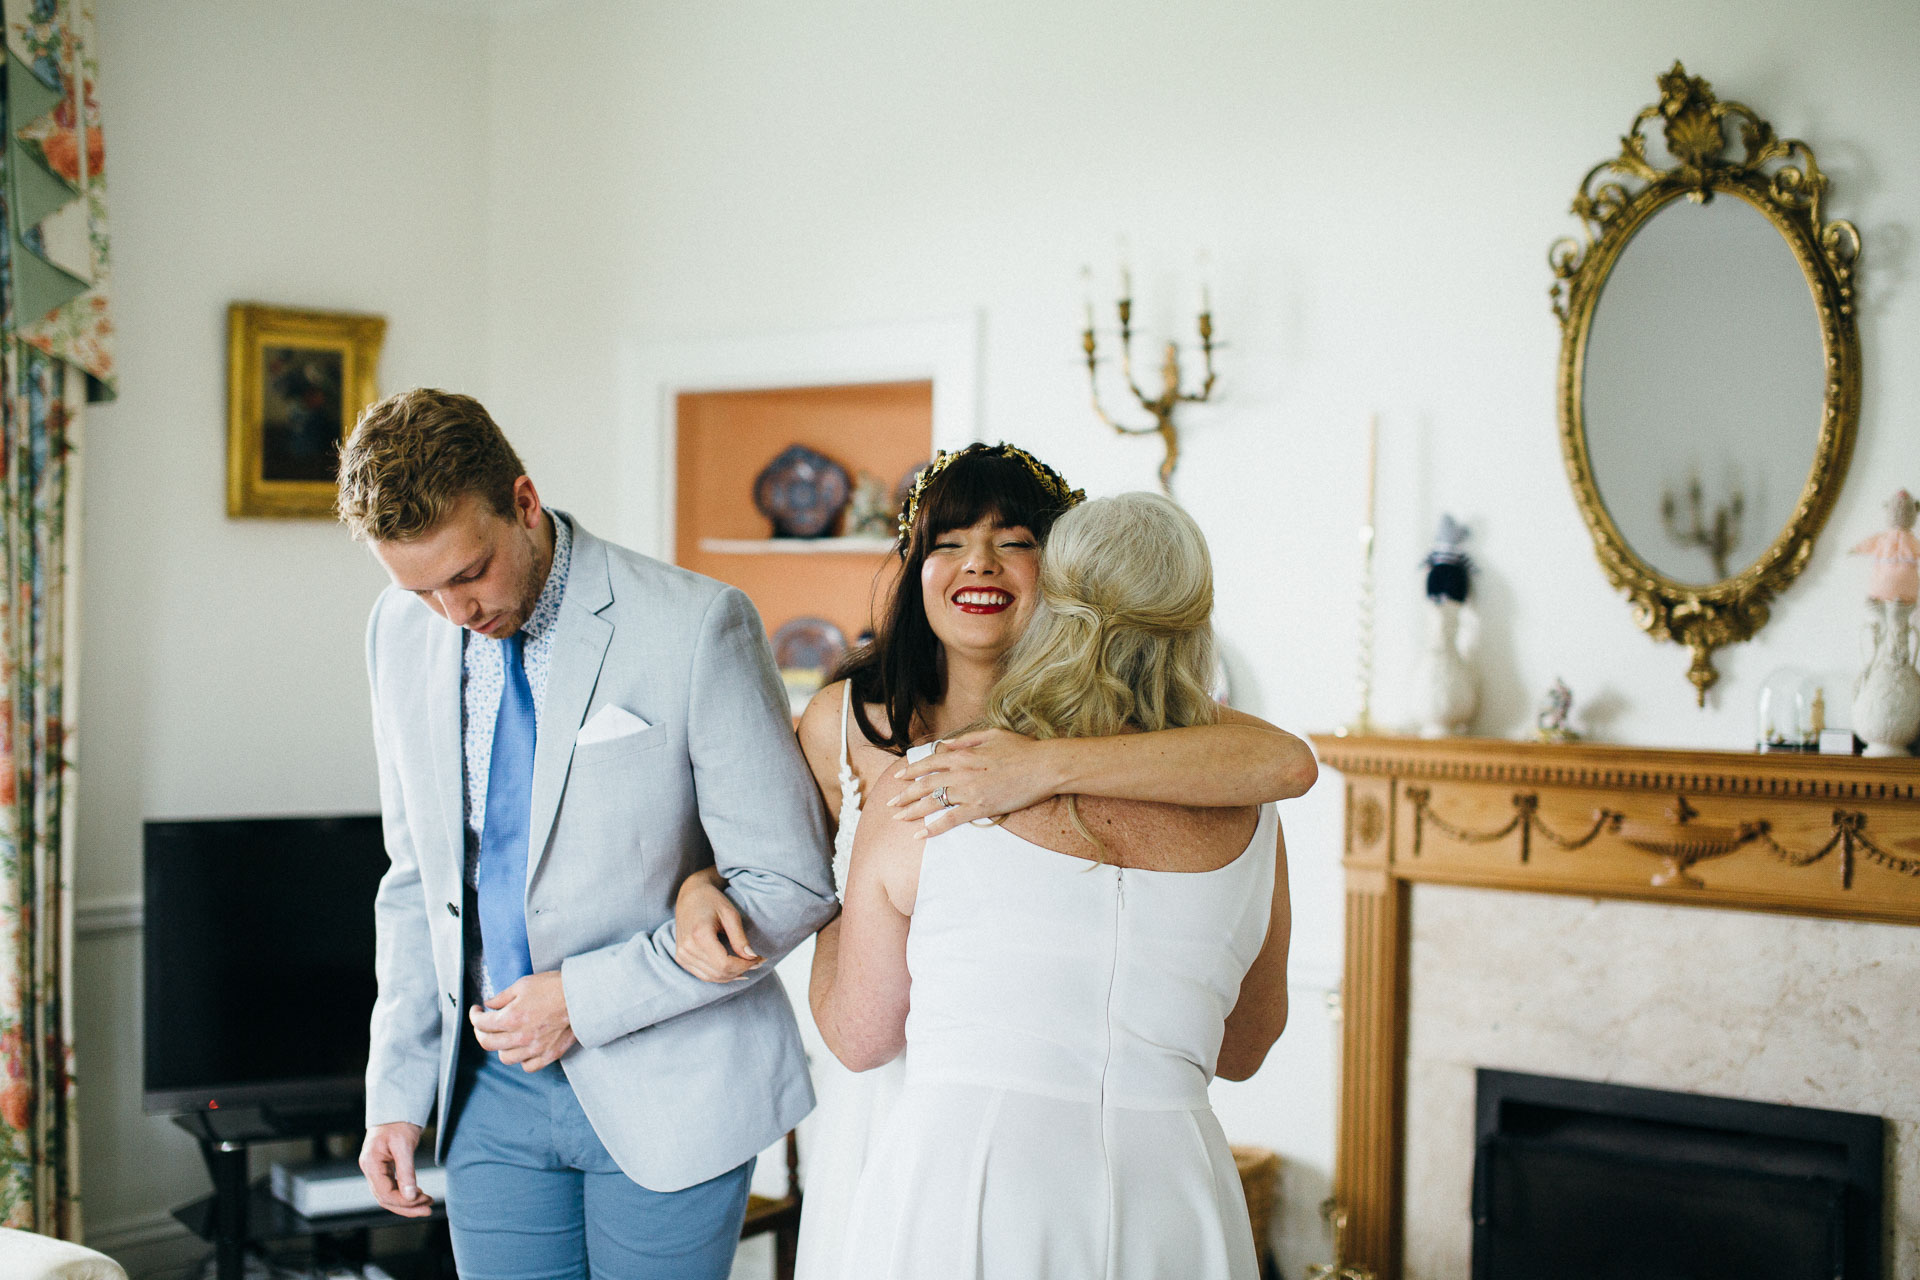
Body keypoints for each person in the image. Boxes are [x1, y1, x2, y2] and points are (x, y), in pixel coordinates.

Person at [671, 444, 1315, 1280]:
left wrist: (1039, 767)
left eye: (1014, 540)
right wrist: (696, 883)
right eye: (948, 541)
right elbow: (766, 861)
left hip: (961, 1155)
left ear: (1061, 587)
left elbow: (1288, 762)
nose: (980, 561)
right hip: (1030, 1135)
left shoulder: (1122, 766)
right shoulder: (846, 721)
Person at [338, 388, 837, 1280]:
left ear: (524, 504)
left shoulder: (694, 624)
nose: (454, 612)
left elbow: (790, 880)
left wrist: (584, 998)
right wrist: (396, 1092)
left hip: (672, 1084)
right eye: (419, 590)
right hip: (485, 1092)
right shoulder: (395, 633)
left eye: (470, 573)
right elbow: (416, 879)